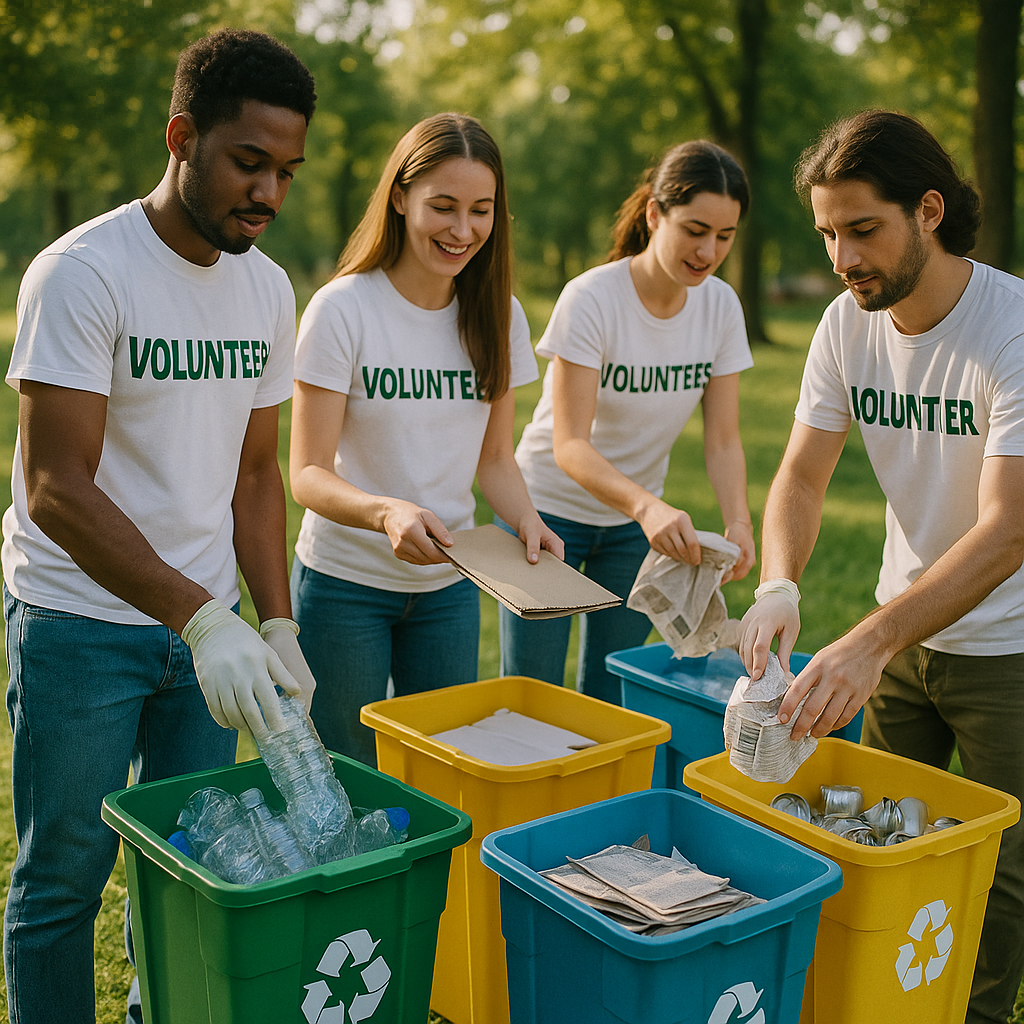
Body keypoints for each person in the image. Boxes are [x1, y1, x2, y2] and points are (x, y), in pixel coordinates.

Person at [1, 29, 319, 1024]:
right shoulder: (84, 273)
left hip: (207, 641)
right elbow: (56, 484)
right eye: (248, 162)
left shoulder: (267, 288)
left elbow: (258, 474)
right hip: (78, 630)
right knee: (64, 878)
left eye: (286, 171)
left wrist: (274, 621)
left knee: (185, 871)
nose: (267, 193)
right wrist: (199, 615)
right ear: (183, 135)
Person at [739, 110, 1024, 1024]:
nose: (841, 257)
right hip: (902, 640)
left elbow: (1009, 530)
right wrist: (780, 581)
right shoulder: (843, 325)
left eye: (862, 229)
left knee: (999, 879)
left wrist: (865, 643)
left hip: (1007, 650)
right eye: (827, 233)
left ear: (929, 210)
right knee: (872, 848)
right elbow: (801, 473)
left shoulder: (1011, 327)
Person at [288, 112, 562, 766]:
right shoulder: (343, 308)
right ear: (400, 197)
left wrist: (526, 518)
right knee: (347, 771)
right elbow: (306, 473)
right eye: (443, 206)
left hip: (449, 589)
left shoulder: (500, 316)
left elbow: (494, 459)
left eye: (481, 210)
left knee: (437, 767)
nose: (462, 230)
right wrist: (386, 512)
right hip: (344, 586)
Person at [501, 140, 757, 705]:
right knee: (532, 695)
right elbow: (570, 443)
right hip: (547, 513)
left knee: (612, 694)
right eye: (694, 229)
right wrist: (647, 506)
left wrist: (739, 521)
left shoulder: (720, 307)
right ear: (653, 214)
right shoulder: (593, 298)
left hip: (633, 532)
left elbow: (723, 440)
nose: (708, 250)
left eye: (724, 235)